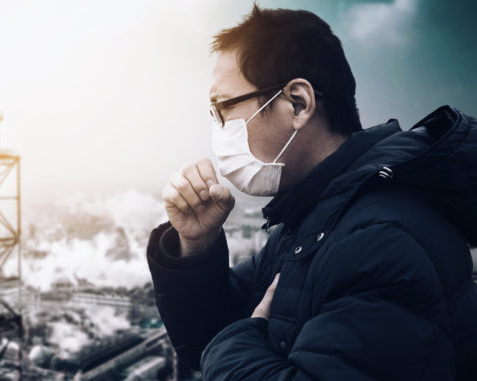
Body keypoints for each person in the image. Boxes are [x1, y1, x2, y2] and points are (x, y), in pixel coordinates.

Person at [145, 4, 477, 380]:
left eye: (223, 108)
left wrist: (234, 346)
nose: (218, 129)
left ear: (298, 103)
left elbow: (222, 345)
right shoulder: (314, 220)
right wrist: (196, 245)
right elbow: (207, 335)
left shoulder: (378, 240)